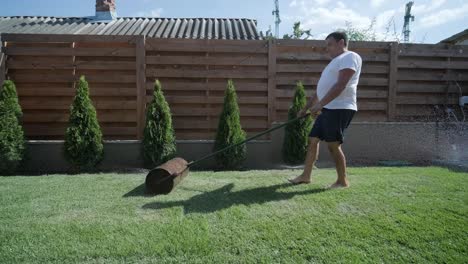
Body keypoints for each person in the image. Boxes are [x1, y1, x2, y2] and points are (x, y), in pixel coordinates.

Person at [288, 31, 362, 188]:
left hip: (340, 107)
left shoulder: (350, 57)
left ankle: (342, 181)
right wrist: (306, 108)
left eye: (330, 44)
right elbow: (320, 90)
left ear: (341, 42)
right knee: (313, 140)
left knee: (333, 145)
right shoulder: (333, 63)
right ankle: (305, 176)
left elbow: (341, 85)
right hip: (328, 107)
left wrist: (320, 105)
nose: (327, 48)